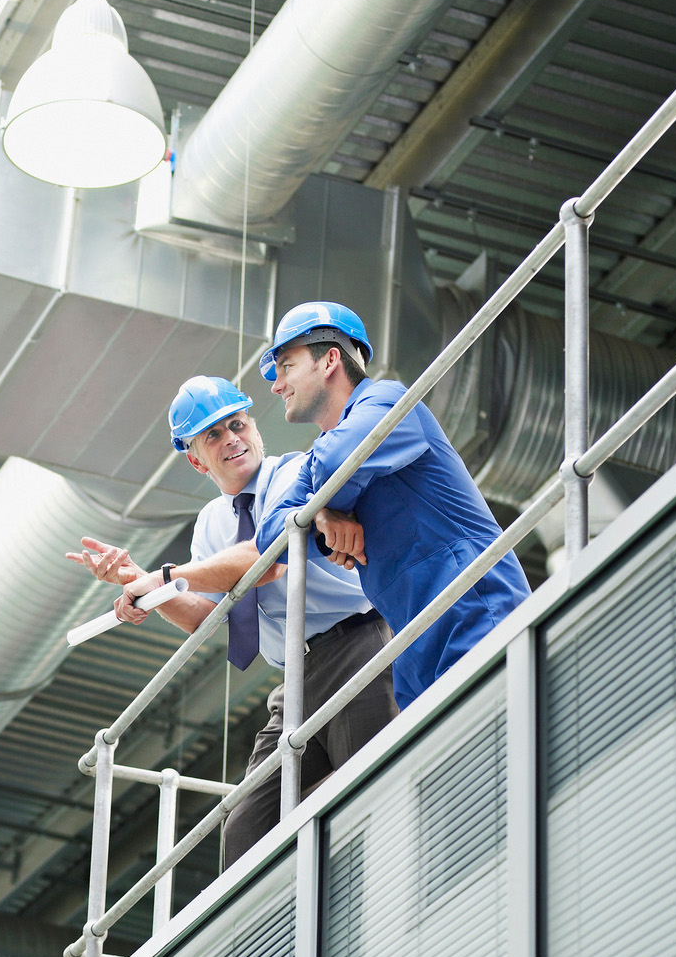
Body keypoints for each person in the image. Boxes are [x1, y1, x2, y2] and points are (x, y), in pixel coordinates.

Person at [68, 375, 398, 867]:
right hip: (296, 676)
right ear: (196, 458)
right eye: (214, 436)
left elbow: (266, 559)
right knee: (246, 827)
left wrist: (163, 576)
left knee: (371, 785)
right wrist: (141, 583)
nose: (232, 439)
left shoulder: (292, 475)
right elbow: (205, 614)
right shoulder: (211, 524)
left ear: (256, 430)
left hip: (355, 645)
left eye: (237, 425)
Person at [254, 301, 530, 711]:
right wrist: (325, 513)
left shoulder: (389, 401)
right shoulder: (320, 457)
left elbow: (335, 464)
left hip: (470, 605)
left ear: (330, 359)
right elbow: (270, 537)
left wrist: (320, 507)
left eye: (286, 366)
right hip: (412, 643)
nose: (277, 385)